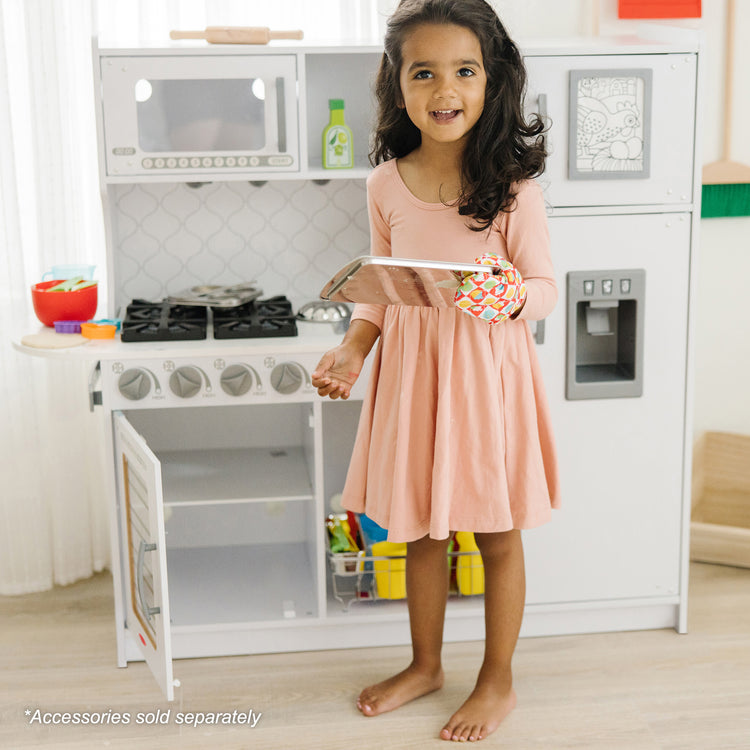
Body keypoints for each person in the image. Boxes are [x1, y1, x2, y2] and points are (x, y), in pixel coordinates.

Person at [311, 0, 559, 742]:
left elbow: (543, 288)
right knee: (419, 530)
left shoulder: (513, 189)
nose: (444, 88)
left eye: (464, 70)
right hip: (414, 379)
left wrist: (506, 294)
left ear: (491, 83)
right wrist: (352, 349)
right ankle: (425, 665)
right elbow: (383, 294)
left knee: (497, 534)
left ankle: (498, 680)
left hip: (488, 380)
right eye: (424, 72)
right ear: (398, 85)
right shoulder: (385, 183)